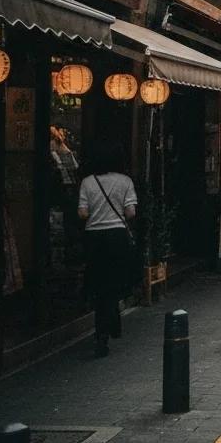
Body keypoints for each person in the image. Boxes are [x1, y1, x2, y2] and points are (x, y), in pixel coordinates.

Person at [78, 142, 137, 358]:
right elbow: (130, 213)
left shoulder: (87, 182)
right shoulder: (125, 181)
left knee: (98, 285)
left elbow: (83, 213)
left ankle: (101, 332)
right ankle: (113, 323)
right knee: (114, 283)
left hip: (94, 238)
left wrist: (95, 212)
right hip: (117, 237)